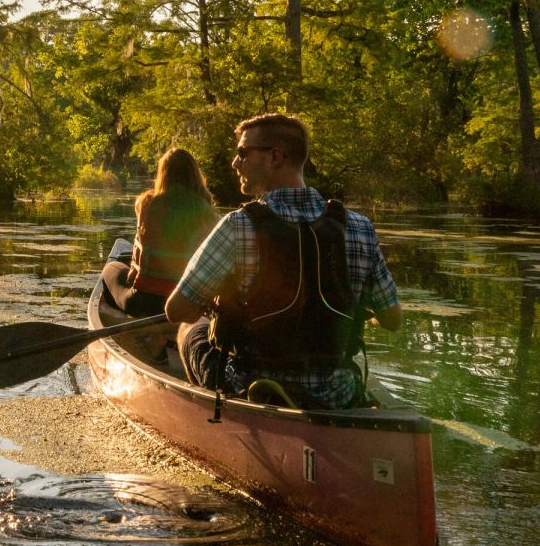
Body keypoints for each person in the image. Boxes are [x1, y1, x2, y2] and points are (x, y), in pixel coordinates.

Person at [164, 114, 402, 409]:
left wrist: (216, 304)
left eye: (242, 154)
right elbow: (393, 320)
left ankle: (206, 415)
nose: (235, 164)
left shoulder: (238, 226)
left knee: (191, 328)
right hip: (337, 392)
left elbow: (176, 309)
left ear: (275, 157)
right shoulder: (359, 226)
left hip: (251, 387)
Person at [102, 148, 218, 317]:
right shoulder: (209, 213)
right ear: (195, 175)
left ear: (163, 174)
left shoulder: (147, 203)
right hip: (186, 304)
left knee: (111, 269)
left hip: (145, 303)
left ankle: (121, 321)